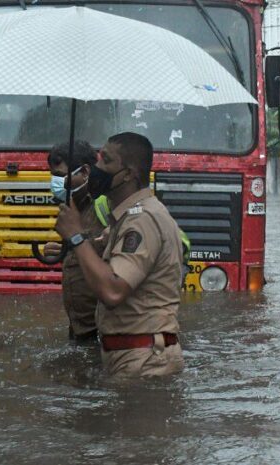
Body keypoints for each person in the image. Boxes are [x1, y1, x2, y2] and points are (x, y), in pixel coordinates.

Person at [55, 132, 185, 377]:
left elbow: (113, 290)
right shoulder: (127, 217)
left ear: (128, 174)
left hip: (144, 362)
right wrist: (76, 243)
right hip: (133, 357)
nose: (97, 168)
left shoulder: (142, 220)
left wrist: (76, 236)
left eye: (106, 160)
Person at [43, 141, 105, 342]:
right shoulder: (70, 209)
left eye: (61, 176)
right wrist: (63, 251)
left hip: (104, 329)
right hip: (80, 327)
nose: (55, 182)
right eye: (53, 176)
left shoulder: (105, 204)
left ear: (85, 171)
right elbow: (83, 258)